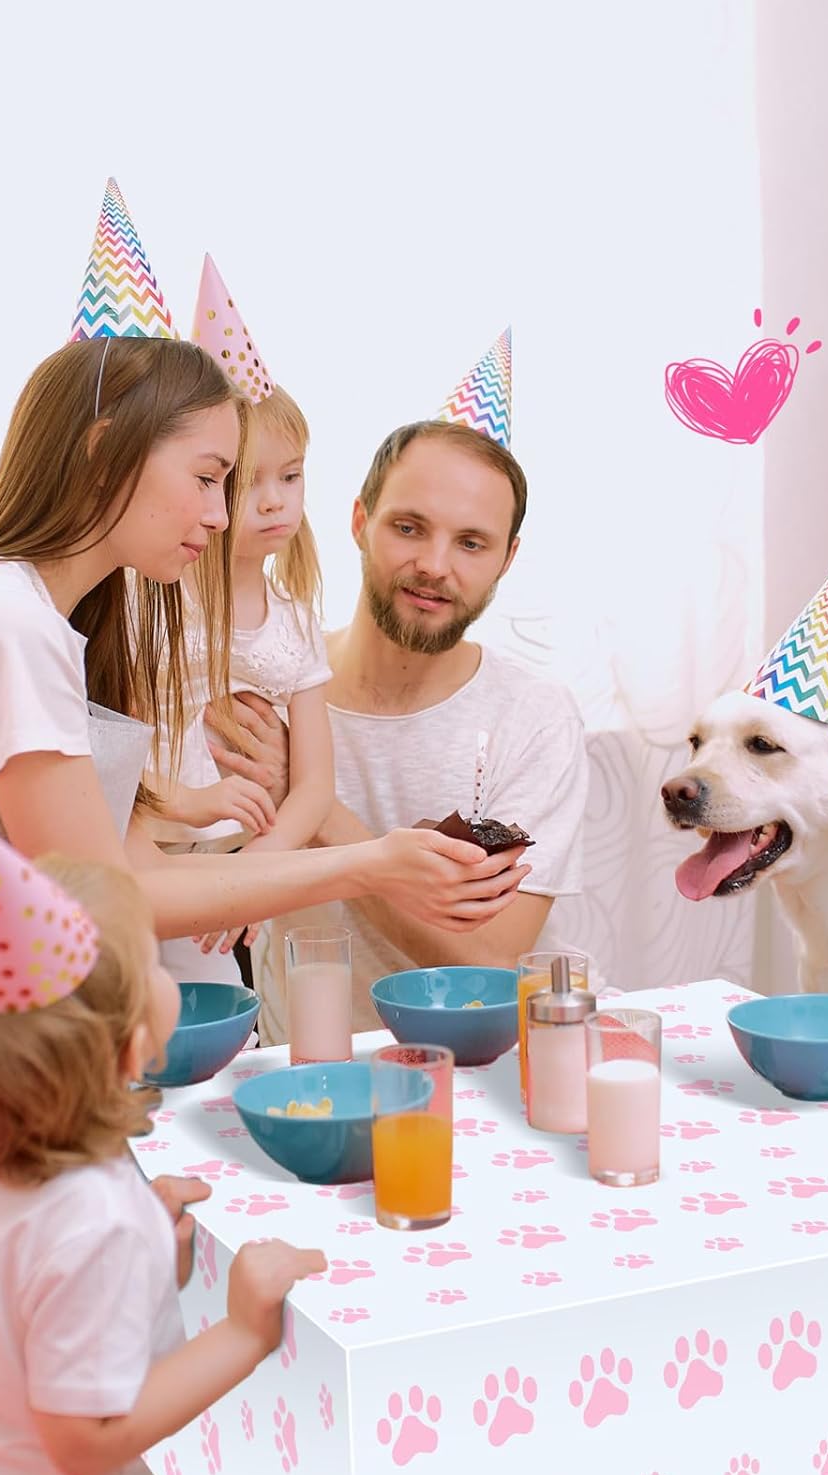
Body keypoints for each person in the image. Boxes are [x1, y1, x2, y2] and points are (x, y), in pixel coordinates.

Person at [0, 184, 521, 1475]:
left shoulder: (30, 622)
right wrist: (369, 860)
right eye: (211, 476)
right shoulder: (1, 626)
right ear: (112, 449)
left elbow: (86, 861)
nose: (227, 516)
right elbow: (100, 899)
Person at [0, 826, 325, 1475]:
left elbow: (23, 1299)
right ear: (131, 1052)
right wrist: (244, 1332)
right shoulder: (96, 1223)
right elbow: (86, 1440)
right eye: (154, 962)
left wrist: (146, 1253)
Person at [223, 332, 591, 1036]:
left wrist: (317, 807)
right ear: (360, 521)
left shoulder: (535, 720)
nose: (434, 565)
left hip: (481, 1072)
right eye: (409, 527)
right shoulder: (263, 688)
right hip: (301, 1074)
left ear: (508, 559)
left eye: (471, 542)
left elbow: (485, 962)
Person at [143, 257, 336, 986]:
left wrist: (264, 861)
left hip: (249, 862)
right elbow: (112, 764)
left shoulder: (294, 620)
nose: (276, 501)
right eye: (244, 480)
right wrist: (186, 806)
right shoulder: (155, 597)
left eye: (291, 476)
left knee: (248, 1021)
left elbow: (315, 781)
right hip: (156, 857)